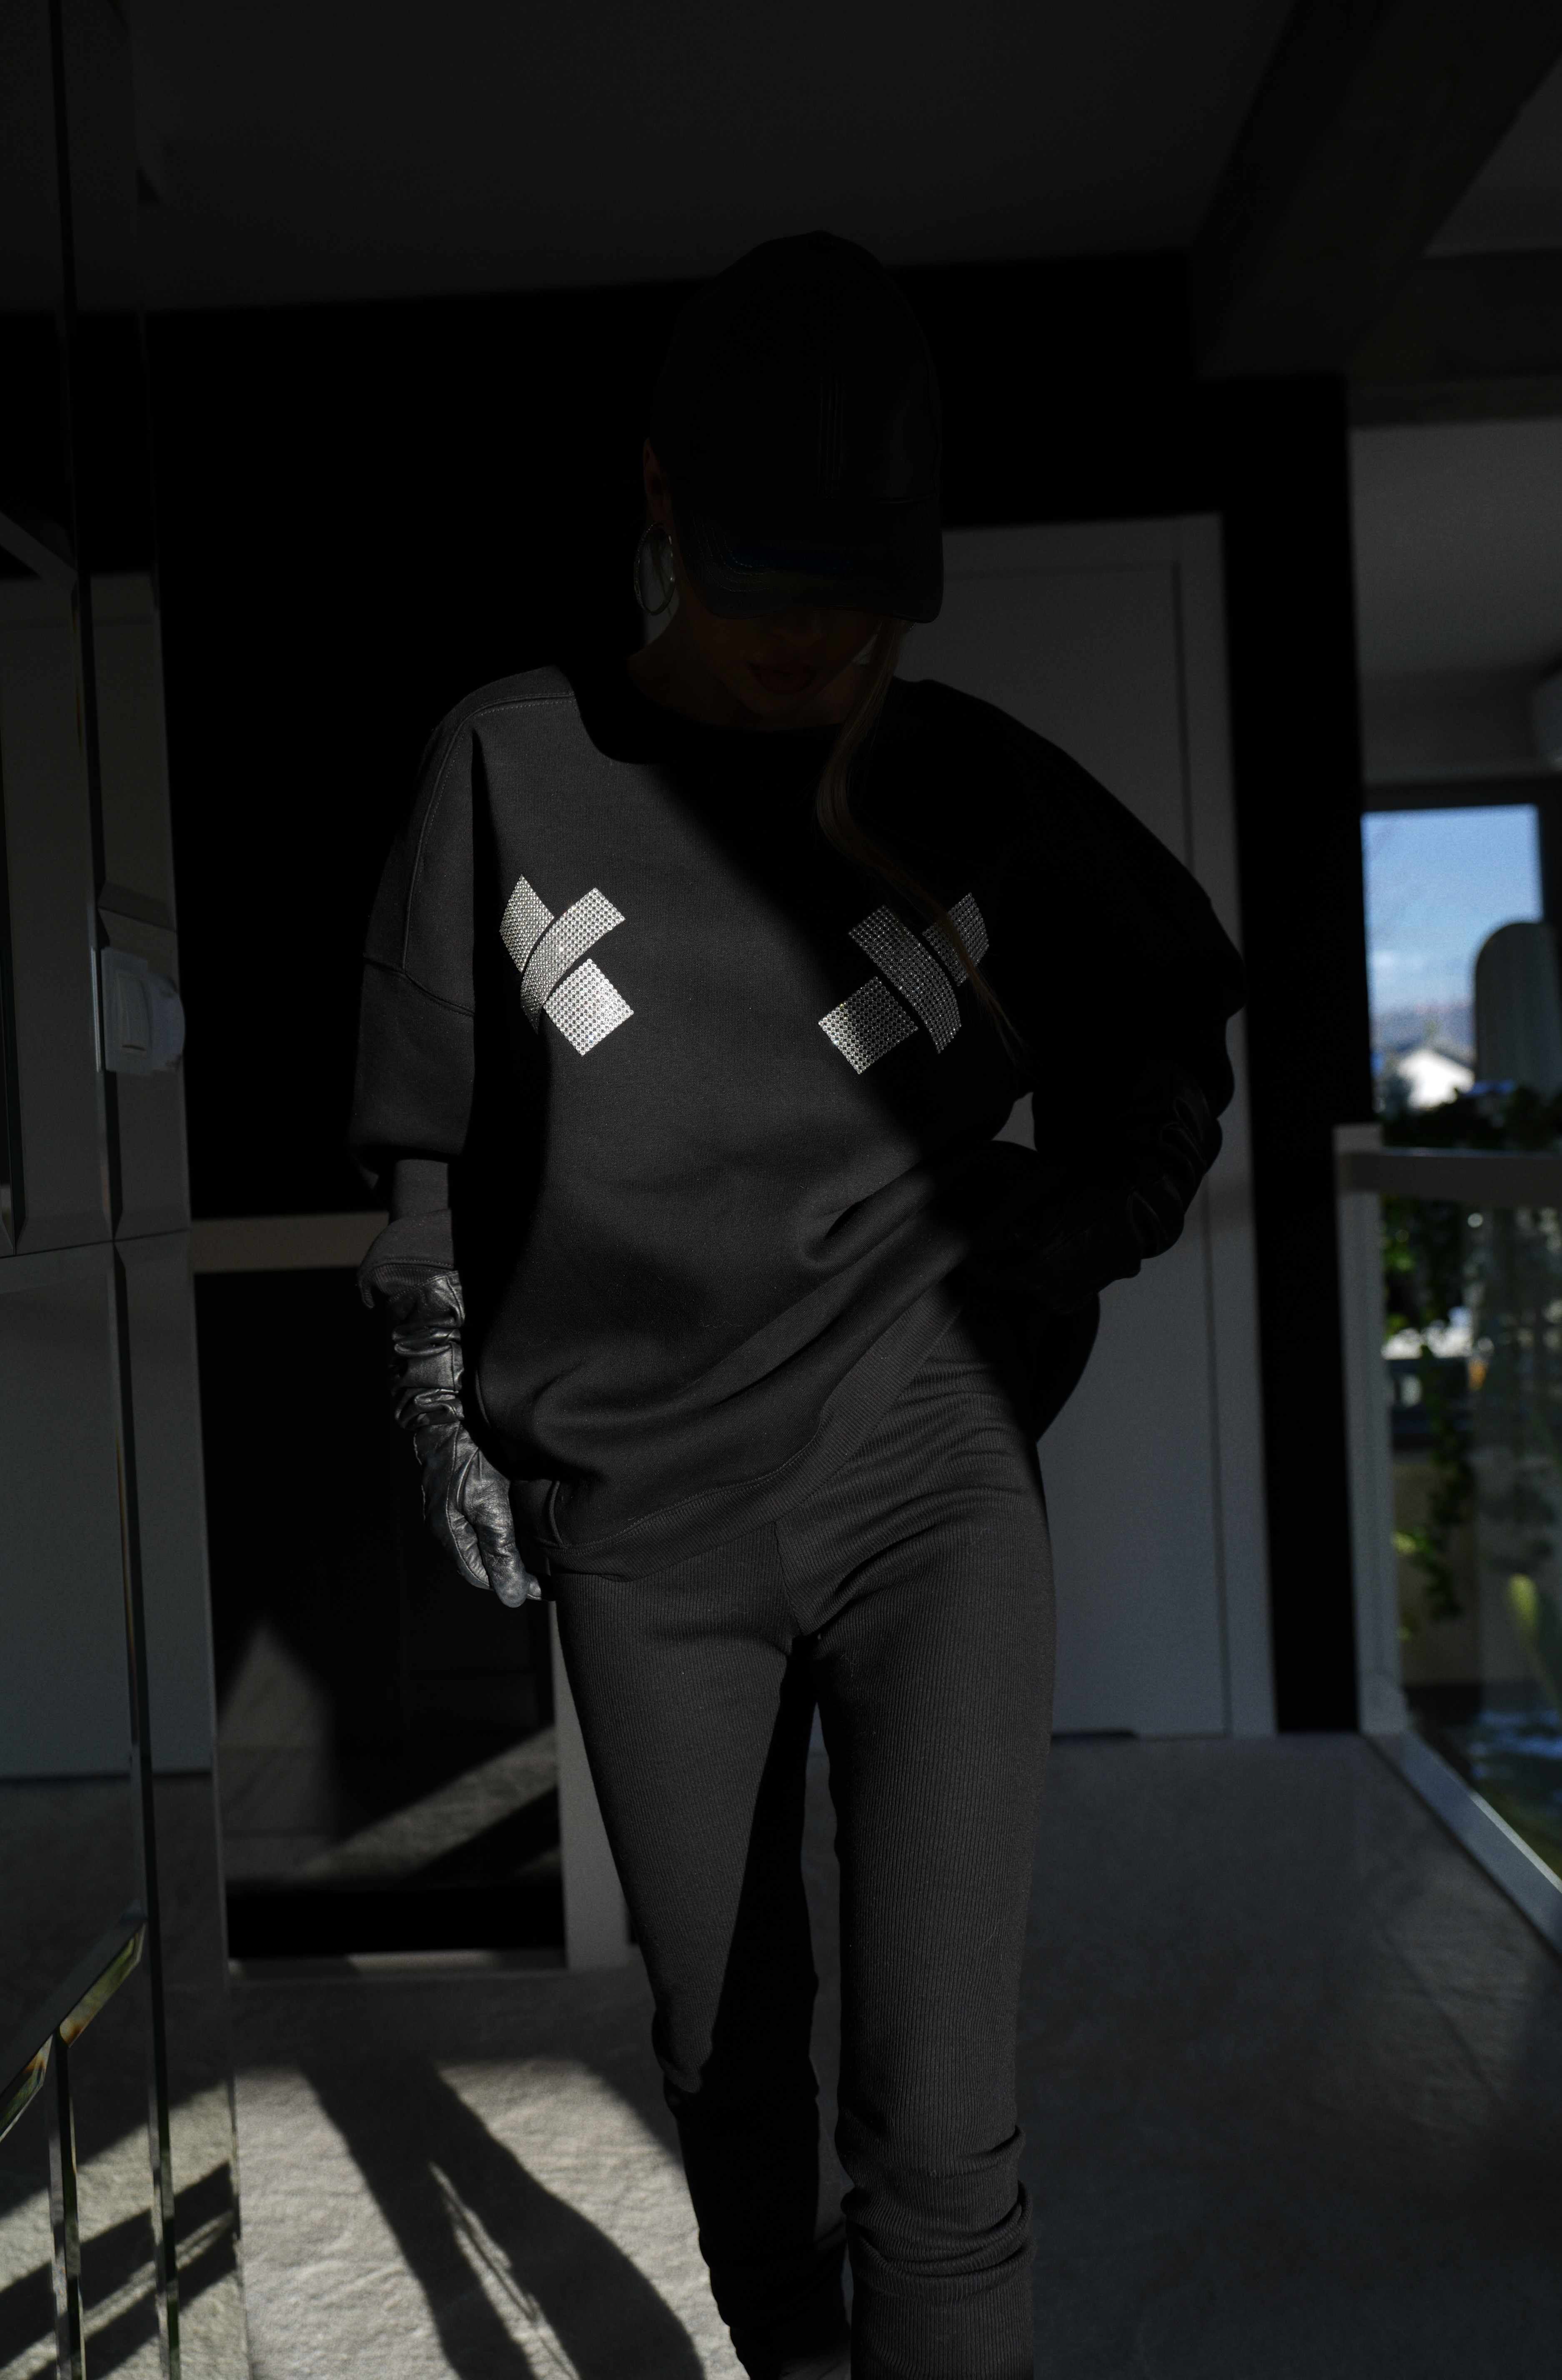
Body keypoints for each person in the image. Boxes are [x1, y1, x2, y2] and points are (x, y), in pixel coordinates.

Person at [351, 232, 1243, 2380]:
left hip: (924, 1484)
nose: (809, 634)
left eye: (858, 585)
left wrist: (1052, 1243)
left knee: (940, 2120)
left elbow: (1168, 1043)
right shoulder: (511, 764)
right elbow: (424, 1134)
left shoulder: (965, 784)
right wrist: (434, 1371)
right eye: (767, 570)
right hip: (645, 1525)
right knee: (728, 2051)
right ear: (663, 500)